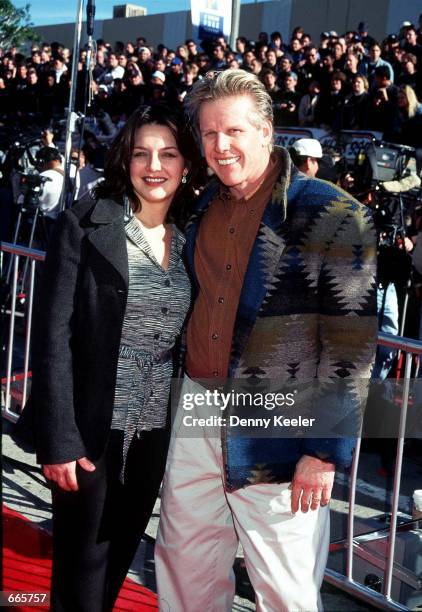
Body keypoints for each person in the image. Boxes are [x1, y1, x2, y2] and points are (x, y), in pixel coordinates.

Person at [155, 70, 377, 611]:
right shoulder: (202, 206)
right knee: (185, 564)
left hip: (279, 422)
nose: (220, 146)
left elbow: (352, 348)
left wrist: (325, 452)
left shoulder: (332, 212)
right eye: (208, 134)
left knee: (285, 587)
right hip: (198, 410)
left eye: (232, 131)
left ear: (266, 130)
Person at [15, 104, 197, 612]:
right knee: (80, 584)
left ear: (186, 164)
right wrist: (59, 440)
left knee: (115, 572)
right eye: (142, 153)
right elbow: (52, 337)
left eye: (168, 153)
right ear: (125, 159)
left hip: (152, 438)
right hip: (89, 434)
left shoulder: (192, 237)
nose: (154, 165)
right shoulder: (84, 224)